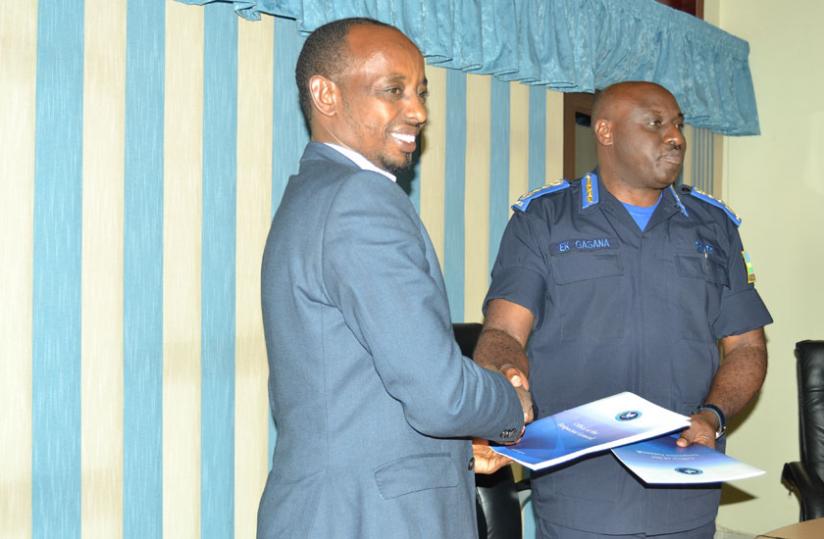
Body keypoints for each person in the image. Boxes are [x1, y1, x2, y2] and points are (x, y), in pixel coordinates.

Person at [257, 17, 532, 539]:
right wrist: (510, 403)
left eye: (421, 92)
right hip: (371, 519)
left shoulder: (312, 195)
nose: (419, 111)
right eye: (393, 91)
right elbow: (440, 394)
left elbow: (353, 389)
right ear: (325, 94)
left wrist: (455, 445)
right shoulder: (360, 201)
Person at [474, 81, 772, 538]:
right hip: (581, 489)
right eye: (656, 123)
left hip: (684, 484)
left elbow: (748, 346)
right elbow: (503, 335)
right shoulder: (544, 219)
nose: (674, 137)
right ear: (606, 132)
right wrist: (509, 384)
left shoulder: (714, 225)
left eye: (677, 124)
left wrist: (712, 416)